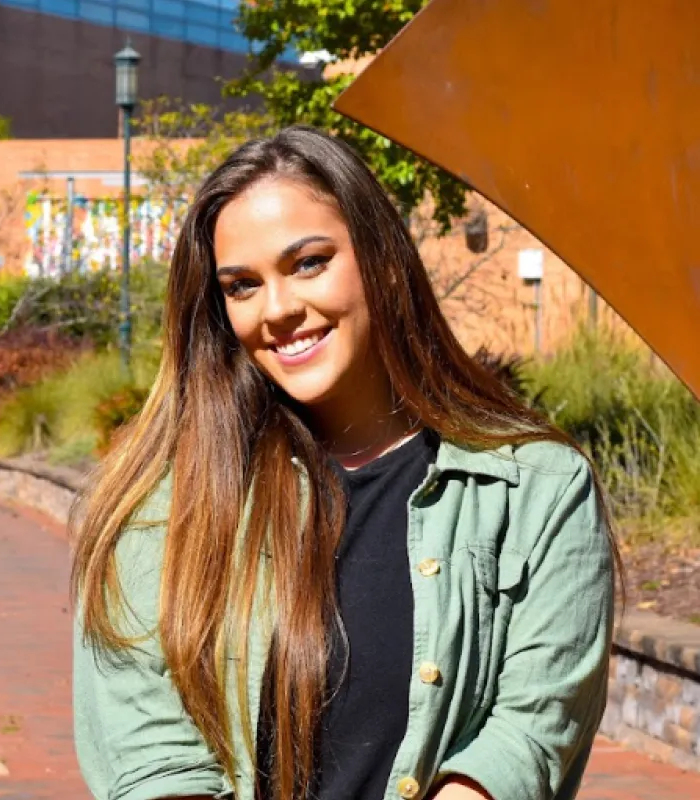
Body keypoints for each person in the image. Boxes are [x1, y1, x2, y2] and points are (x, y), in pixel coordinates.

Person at [70, 126, 618, 800]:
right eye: (241, 286)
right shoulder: (162, 505)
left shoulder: (534, 490)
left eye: (308, 263)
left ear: (383, 259)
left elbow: (526, 738)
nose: (278, 310)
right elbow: (149, 760)